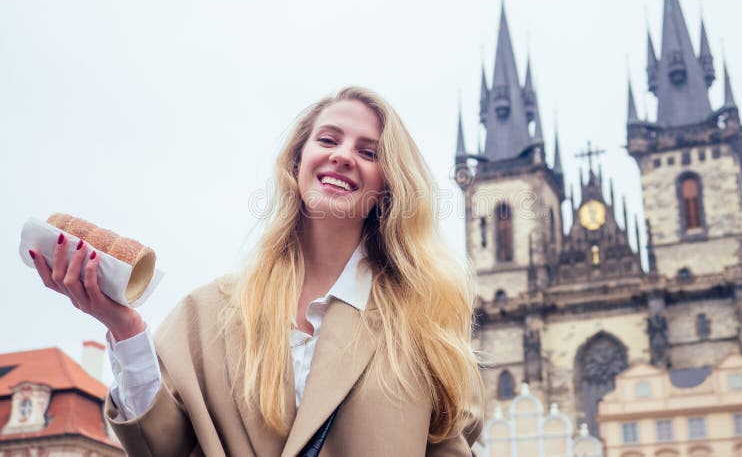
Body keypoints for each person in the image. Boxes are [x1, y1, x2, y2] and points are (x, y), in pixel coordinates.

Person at [29, 86, 484, 456]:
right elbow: (159, 450)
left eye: (369, 152)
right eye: (328, 140)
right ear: (296, 163)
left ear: (389, 188)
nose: (343, 155)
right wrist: (123, 327)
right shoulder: (211, 311)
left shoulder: (424, 320)